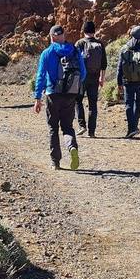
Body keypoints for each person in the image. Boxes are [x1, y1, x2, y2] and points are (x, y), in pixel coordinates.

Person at [34, 24, 86, 170]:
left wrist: (37, 98)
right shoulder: (74, 50)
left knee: (53, 128)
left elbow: (41, 76)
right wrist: (72, 86)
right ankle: (72, 147)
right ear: (64, 35)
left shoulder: (47, 52)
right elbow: (83, 73)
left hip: (52, 94)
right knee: (68, 127)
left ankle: (55, 162)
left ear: (52, 37)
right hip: (70, 95)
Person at [74, 20, 107, 138]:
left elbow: (74, 62)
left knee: (78, 100)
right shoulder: (100, 44)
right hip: (95, 77)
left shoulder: (79, 43)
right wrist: (101, 78)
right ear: (94, 30)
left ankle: (82, 126)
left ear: (84, 30)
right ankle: (92, 131)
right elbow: (104, 64)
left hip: (81, 78)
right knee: (93, 104)